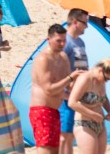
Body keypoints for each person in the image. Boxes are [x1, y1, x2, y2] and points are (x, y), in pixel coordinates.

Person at [30, 24, 73, 154]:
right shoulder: (43, 58)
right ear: (49, 39)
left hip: (55, 111)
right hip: (41, 110)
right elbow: (48, 89)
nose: (62, 44)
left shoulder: (63, 58)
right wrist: (70, 78)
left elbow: (68, 86)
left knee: (55, 151)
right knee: (45, 150)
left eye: (64, 40)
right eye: (58, 41)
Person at [68, 57, 110, 154]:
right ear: (100, 70)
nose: (106, 81)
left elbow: (104, 98)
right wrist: (93, 115)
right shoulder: (85, 79)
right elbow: (72, 102)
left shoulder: (100, 81)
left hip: (100, 125)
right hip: (84, 124)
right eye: (106, 78)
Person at [59, 9, 90, 154]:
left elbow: (82, 67)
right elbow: (56, 69)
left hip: (76, 96)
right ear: (75, 22)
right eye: (85, 22)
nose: (87, 26)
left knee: (70, 135)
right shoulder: (65, 42)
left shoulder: (80, 42)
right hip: (65, 97)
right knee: (63, 136)